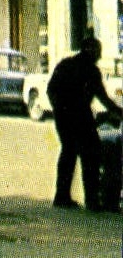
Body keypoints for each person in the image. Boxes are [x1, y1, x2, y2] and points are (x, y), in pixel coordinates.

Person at [46, 35, 122, 211]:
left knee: (69, 152)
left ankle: (62, 196)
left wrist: (59, 109)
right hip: (78, 116)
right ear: (90, 50)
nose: (100, 55)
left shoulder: (66, 64)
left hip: (66, 115)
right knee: (91, 156)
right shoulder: (89, 70)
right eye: (98, 51)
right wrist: (118, 113)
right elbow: (102, 97)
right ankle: (91, 200)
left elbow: (51, 89)